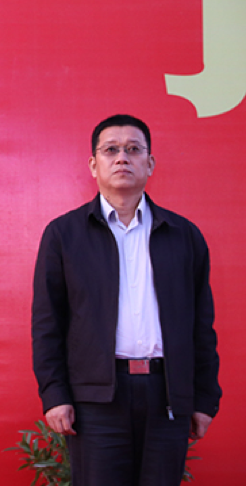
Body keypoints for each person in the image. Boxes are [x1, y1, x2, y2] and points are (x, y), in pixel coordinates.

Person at [31, 114, 222, 486]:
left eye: (133, 149)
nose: (122, 158)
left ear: (150, 164)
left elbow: (201, 325)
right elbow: (47, 324)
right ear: (94, 165)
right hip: (96, 400)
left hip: (166, 395)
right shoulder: (64, 235)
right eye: (111, 150)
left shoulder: (183, 235)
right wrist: (55, 394)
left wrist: (203, 399)